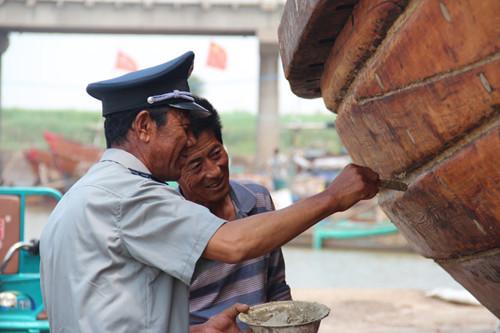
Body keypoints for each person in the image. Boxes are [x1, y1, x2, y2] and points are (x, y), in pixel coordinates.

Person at [40, 51, 380, 333]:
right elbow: (234, 243)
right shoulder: (129, 195)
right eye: (183, 129)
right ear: (144, 126)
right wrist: (332, 197)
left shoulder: (80, 197)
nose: (189, 141)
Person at [177, 97, 291, 327]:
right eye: (196, 166)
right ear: (174, 170)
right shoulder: (171, 222)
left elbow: (277, 286)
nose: (214, 171)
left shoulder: (258, 199)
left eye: (216, 154)